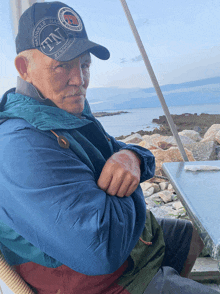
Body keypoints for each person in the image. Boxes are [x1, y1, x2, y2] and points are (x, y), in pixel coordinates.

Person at [0, 2, 218, 293]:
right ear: (24, 68)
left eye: (84, 64)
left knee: (191, 235)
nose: (79, 80)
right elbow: (101, 251)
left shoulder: (66, 111)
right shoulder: (21, 146)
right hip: (98, 280)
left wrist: (131, 158)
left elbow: (123, 151)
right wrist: (132, 183)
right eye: (61, 65)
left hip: (130, 249)